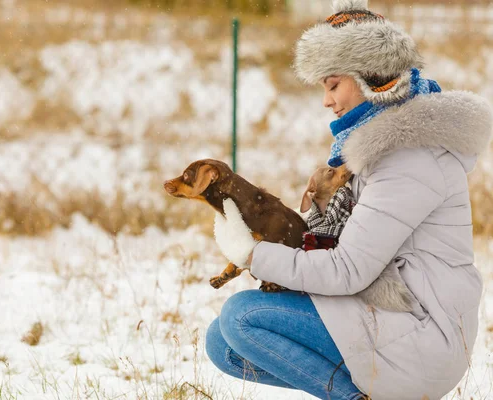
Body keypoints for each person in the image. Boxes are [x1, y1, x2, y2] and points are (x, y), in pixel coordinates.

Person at [205, 1, 493, 399]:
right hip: (389, 318)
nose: (327, 100)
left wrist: (253, 254)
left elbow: (347, 270)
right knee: (223, 344)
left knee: (243, 317)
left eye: (333, 84)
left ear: (372, 77)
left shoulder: (410, 156)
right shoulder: (376, 152)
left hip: (422, 336)